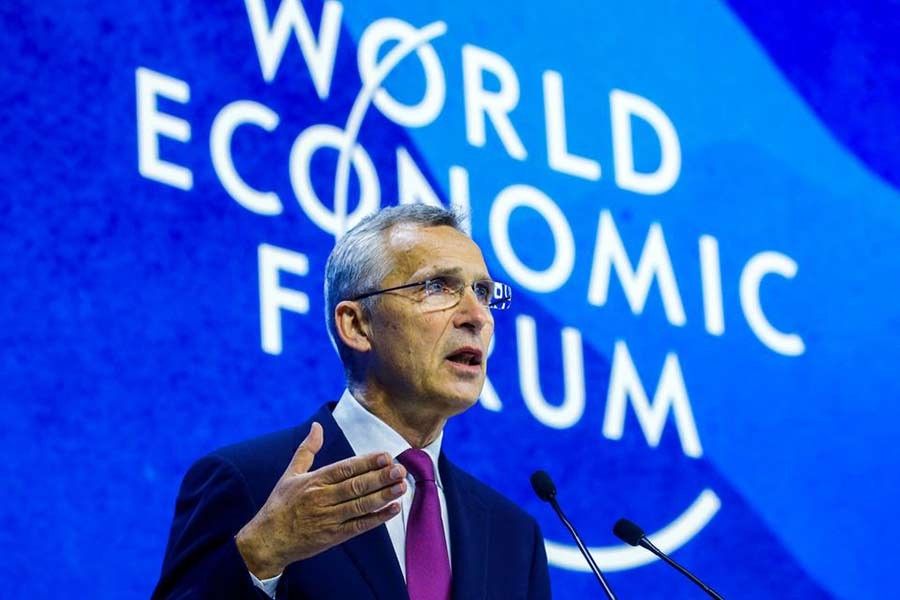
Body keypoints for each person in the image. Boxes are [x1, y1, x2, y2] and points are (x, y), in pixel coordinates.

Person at [153, 204, 552, 599]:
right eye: (437, 287)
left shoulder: (514, 537)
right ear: (357, 325)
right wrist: (260, 556)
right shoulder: (249, 482)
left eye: (482, 292)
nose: (476, 316)